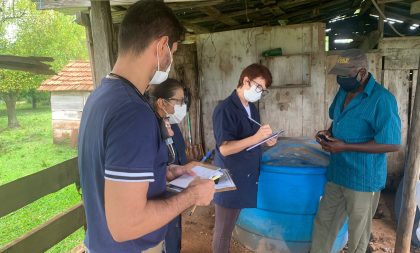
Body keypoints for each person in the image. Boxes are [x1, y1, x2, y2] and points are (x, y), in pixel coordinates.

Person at [78, 2, 215, 253]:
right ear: (162, 45)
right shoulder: (133, 112)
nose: (170, 60)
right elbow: (127, 225)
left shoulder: (101, 97)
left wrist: (171, 172)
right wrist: (192, 196)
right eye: (172, 51)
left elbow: (112, 175)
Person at [310, 49, 401, 253]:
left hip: (362, 178)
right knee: (324, 221)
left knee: (357, 234)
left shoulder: (382, 100)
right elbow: (337, 118)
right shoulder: (343, 91)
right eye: (339, 75)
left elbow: (392, 144)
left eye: (346, 75)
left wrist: (345, 146)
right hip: (338, 172)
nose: (341, 80)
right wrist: (328, 133)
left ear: (362, 72)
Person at [211, 63, 277, 253]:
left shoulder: (251, 108)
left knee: (229, 227)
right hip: (226, 175)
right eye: (259, 87)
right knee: (223, 230)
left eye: (263, 90)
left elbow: (250, 140)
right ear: (245, 80)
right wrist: (257, 137)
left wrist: (266, 140)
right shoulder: (225, 109)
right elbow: (224, 149)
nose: (260, 92)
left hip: (243, 174)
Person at [146, 78, 189, 253]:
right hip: (159, 197)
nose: (182, 106)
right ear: (162, 102)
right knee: (164, 236)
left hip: (174, 189)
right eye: (178, 101)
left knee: (174, 232)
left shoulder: (171, 124)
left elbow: (177, 155)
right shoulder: (149, 126)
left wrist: (183, 171)